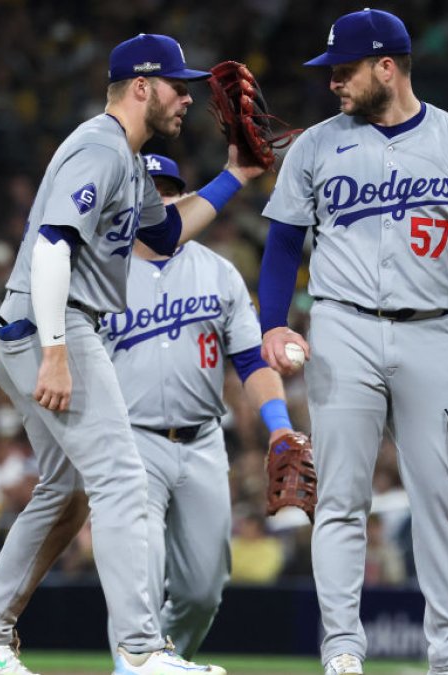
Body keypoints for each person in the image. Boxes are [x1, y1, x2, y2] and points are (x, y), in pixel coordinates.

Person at [0, 34, 265, 675]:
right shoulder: (99, 147)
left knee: (68, 490)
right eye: (179, 86)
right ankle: (142, 651)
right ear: (142, 87)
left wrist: (237, 176)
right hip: (52, 322)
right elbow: (51, 245)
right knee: (121, 479)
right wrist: (58, 350)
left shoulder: (124, 156)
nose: (188, 99)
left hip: (33, 326)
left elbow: (168, 231)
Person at [257, 9, 448, 675]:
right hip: (341, 326)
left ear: (388, 67)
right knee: (341, 496)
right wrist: (271, 321)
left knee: (439, 496)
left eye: (344, 70)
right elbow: (283, 242)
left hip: (432, 329)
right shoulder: (317, 146)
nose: (333, 84)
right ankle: (343, 648)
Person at [97, 154, 299, 659]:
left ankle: (165, 661)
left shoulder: (218, 272)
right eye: (149, 190)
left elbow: (252, 360)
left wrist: (278, 427)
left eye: (169, 190)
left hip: (203, 442)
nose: (160, 200)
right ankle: (137, 666)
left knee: (202, 590)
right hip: (130, 440)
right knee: (137, 583)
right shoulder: (99, 274)